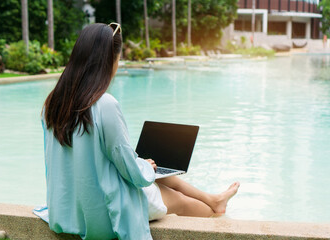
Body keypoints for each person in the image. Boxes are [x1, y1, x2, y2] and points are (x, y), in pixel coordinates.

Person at [40, 23, 240, 240]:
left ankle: (213, 199)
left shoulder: (52, 104)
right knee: (179, 200)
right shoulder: (104, 104)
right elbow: (131, 171)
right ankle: (216, 216)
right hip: (102, 211)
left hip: (68, 208)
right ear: (111, 61)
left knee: (154, 171)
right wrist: (143, 166)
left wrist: (143, 165)